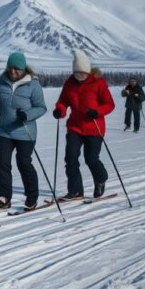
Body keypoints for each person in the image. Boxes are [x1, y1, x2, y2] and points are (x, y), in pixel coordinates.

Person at [0, 52, 47, 211]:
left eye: (17, 69)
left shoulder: (33, 84)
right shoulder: (2, 82)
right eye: (11, 68)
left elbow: (41, 107)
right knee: (2, 163)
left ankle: (32, 196)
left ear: (23, 69)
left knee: (23, 162)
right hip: (4, 130)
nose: (13, 71)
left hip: (25, 131)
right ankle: (3, 197)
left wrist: (27, 115)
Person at [53, 49, 115, 200]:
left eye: (82, 73)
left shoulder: (98, 82)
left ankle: (101, 178)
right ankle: (75, 191)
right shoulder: (70, 83)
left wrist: (97, 111)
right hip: (75, 127)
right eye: (76, 73)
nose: (79, 76)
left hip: (94, 127)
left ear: (88, 71)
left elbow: (110, 104)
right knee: (70, 158)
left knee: (91, 159)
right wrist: (60, 110)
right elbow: (63, 101)